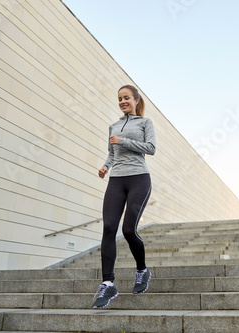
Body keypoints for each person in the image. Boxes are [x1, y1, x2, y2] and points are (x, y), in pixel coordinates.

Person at [92, 84, 156, 309]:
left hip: (139, 178)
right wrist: (104, 167)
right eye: (119, 99)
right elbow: (112, 153)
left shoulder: (145, 123)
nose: (122, 102)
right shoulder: (114, 126)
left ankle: (142, 270)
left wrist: (124, 141)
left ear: (136, 100)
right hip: (116, 180)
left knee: (129, 229)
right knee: (109, 228)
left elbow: (151, 148)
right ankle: (108, 283)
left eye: (126, 98)